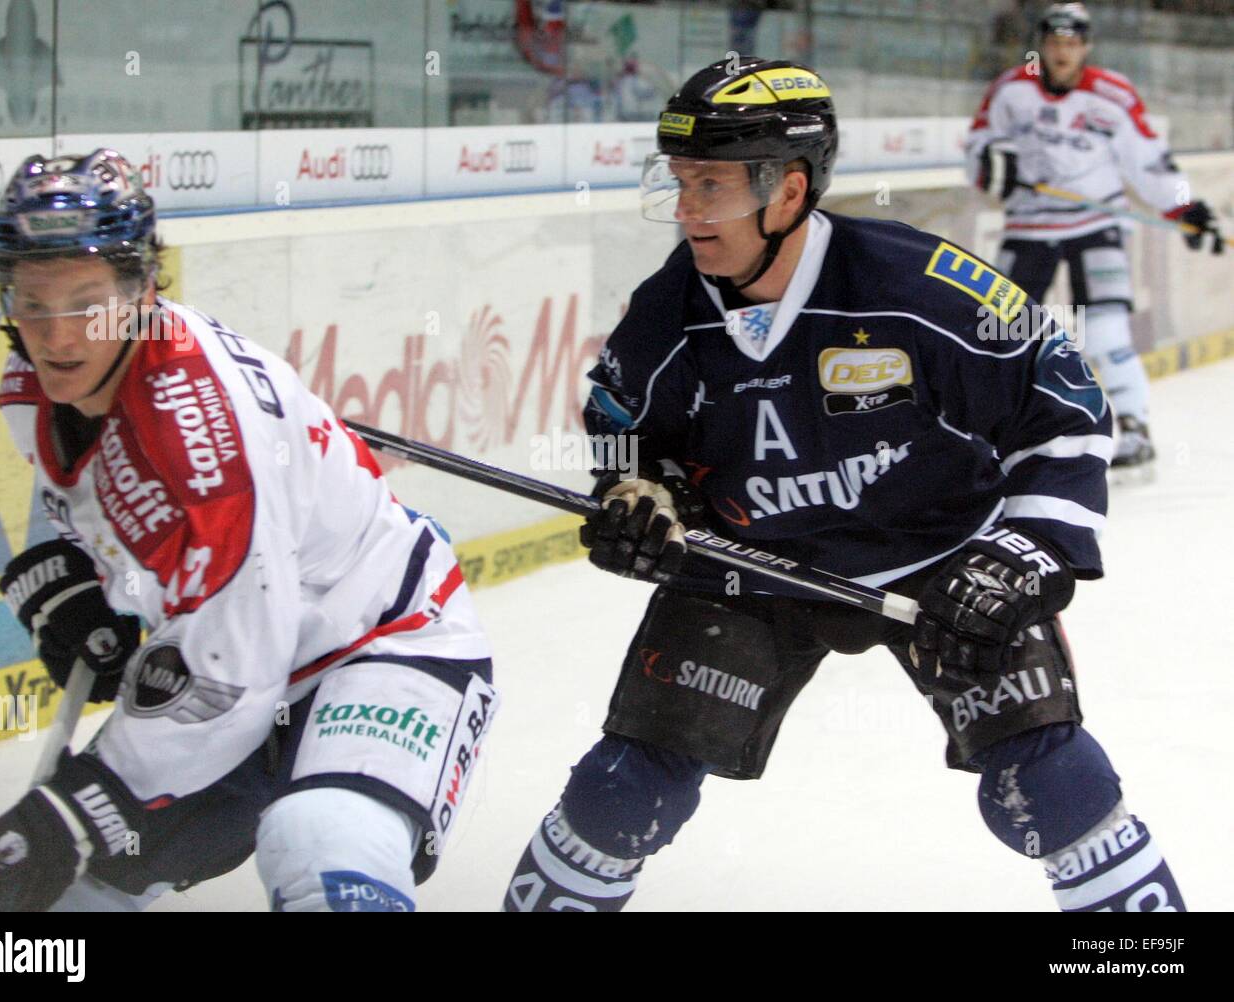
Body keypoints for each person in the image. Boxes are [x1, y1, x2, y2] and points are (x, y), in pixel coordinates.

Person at [502, 57, 1185, 912]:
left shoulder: (918, 289)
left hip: (944, 558)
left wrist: (1030, 548)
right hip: (750, 568)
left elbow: (1065, 398)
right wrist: (637, 496)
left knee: (1055, 787)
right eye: (678, 182)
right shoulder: (663, 314)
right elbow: (619, 423)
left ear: (787, 193)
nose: (683, 211)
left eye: (708, 186)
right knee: (622, 794)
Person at [0, 150, 497, 912]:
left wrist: (70, 814)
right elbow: (117, 533)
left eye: (87, 301)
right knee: (56, 907)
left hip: (381, 643)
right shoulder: (31, 387)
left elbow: (235, 672)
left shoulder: (200, 438)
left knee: (320, 837)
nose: (58, 336)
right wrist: (68, 574)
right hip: (230, 667)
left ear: (140, 290)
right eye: (33, 302)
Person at [967, 1, 1224, 474]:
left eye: (1072, 43)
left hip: (1094, 226)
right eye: (1054, 42)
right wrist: (990, 167)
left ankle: (1135, 426)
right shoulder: (1009, 91)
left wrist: (1188, 208)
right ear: (1041, 45)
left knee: (1105, 330)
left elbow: (1152, 163)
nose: (1062, 52)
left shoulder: (1113, 95)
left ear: (1085, 47)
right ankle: (988, 436)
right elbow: (980, 146)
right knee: (999, 331)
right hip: (1028, 226)